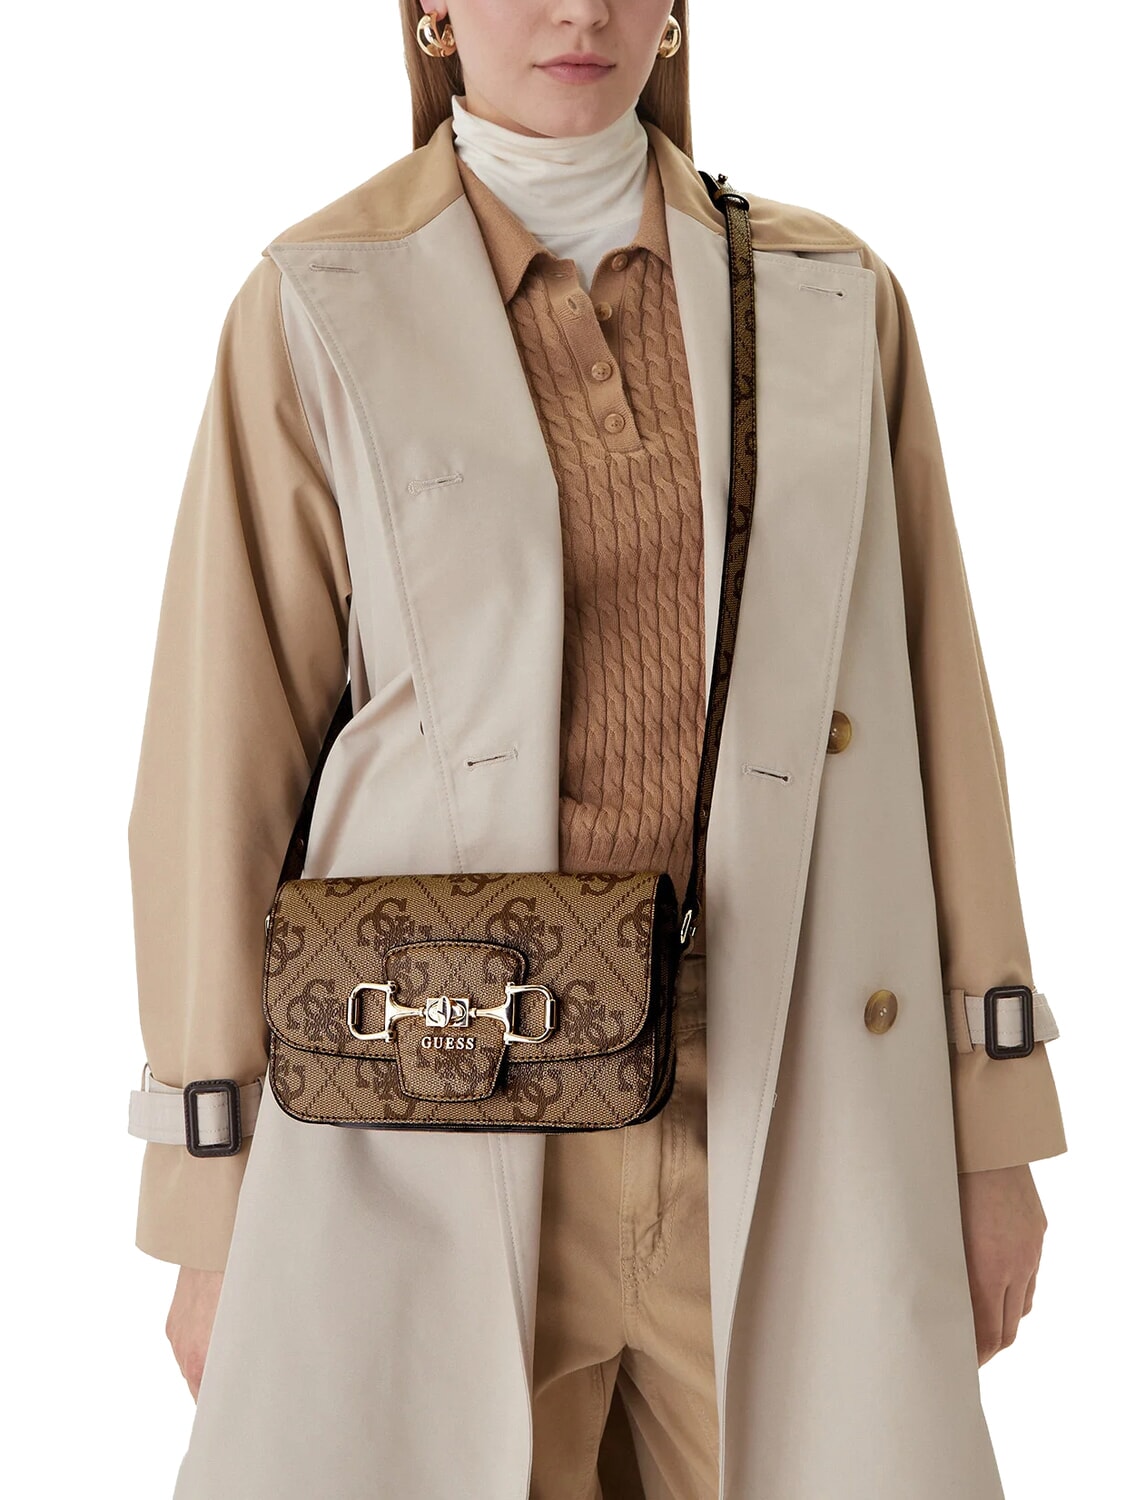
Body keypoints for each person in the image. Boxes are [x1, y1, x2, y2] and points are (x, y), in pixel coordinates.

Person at [126, 3, 1067, 1496]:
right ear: (432, 12)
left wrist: (993, 1126)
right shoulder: (319, 299)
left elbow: (938, 715)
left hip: (794, 1082)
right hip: (427, 1103)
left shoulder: (829, 295)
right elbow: (219, 770)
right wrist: (206, 1198)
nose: (579, 11)